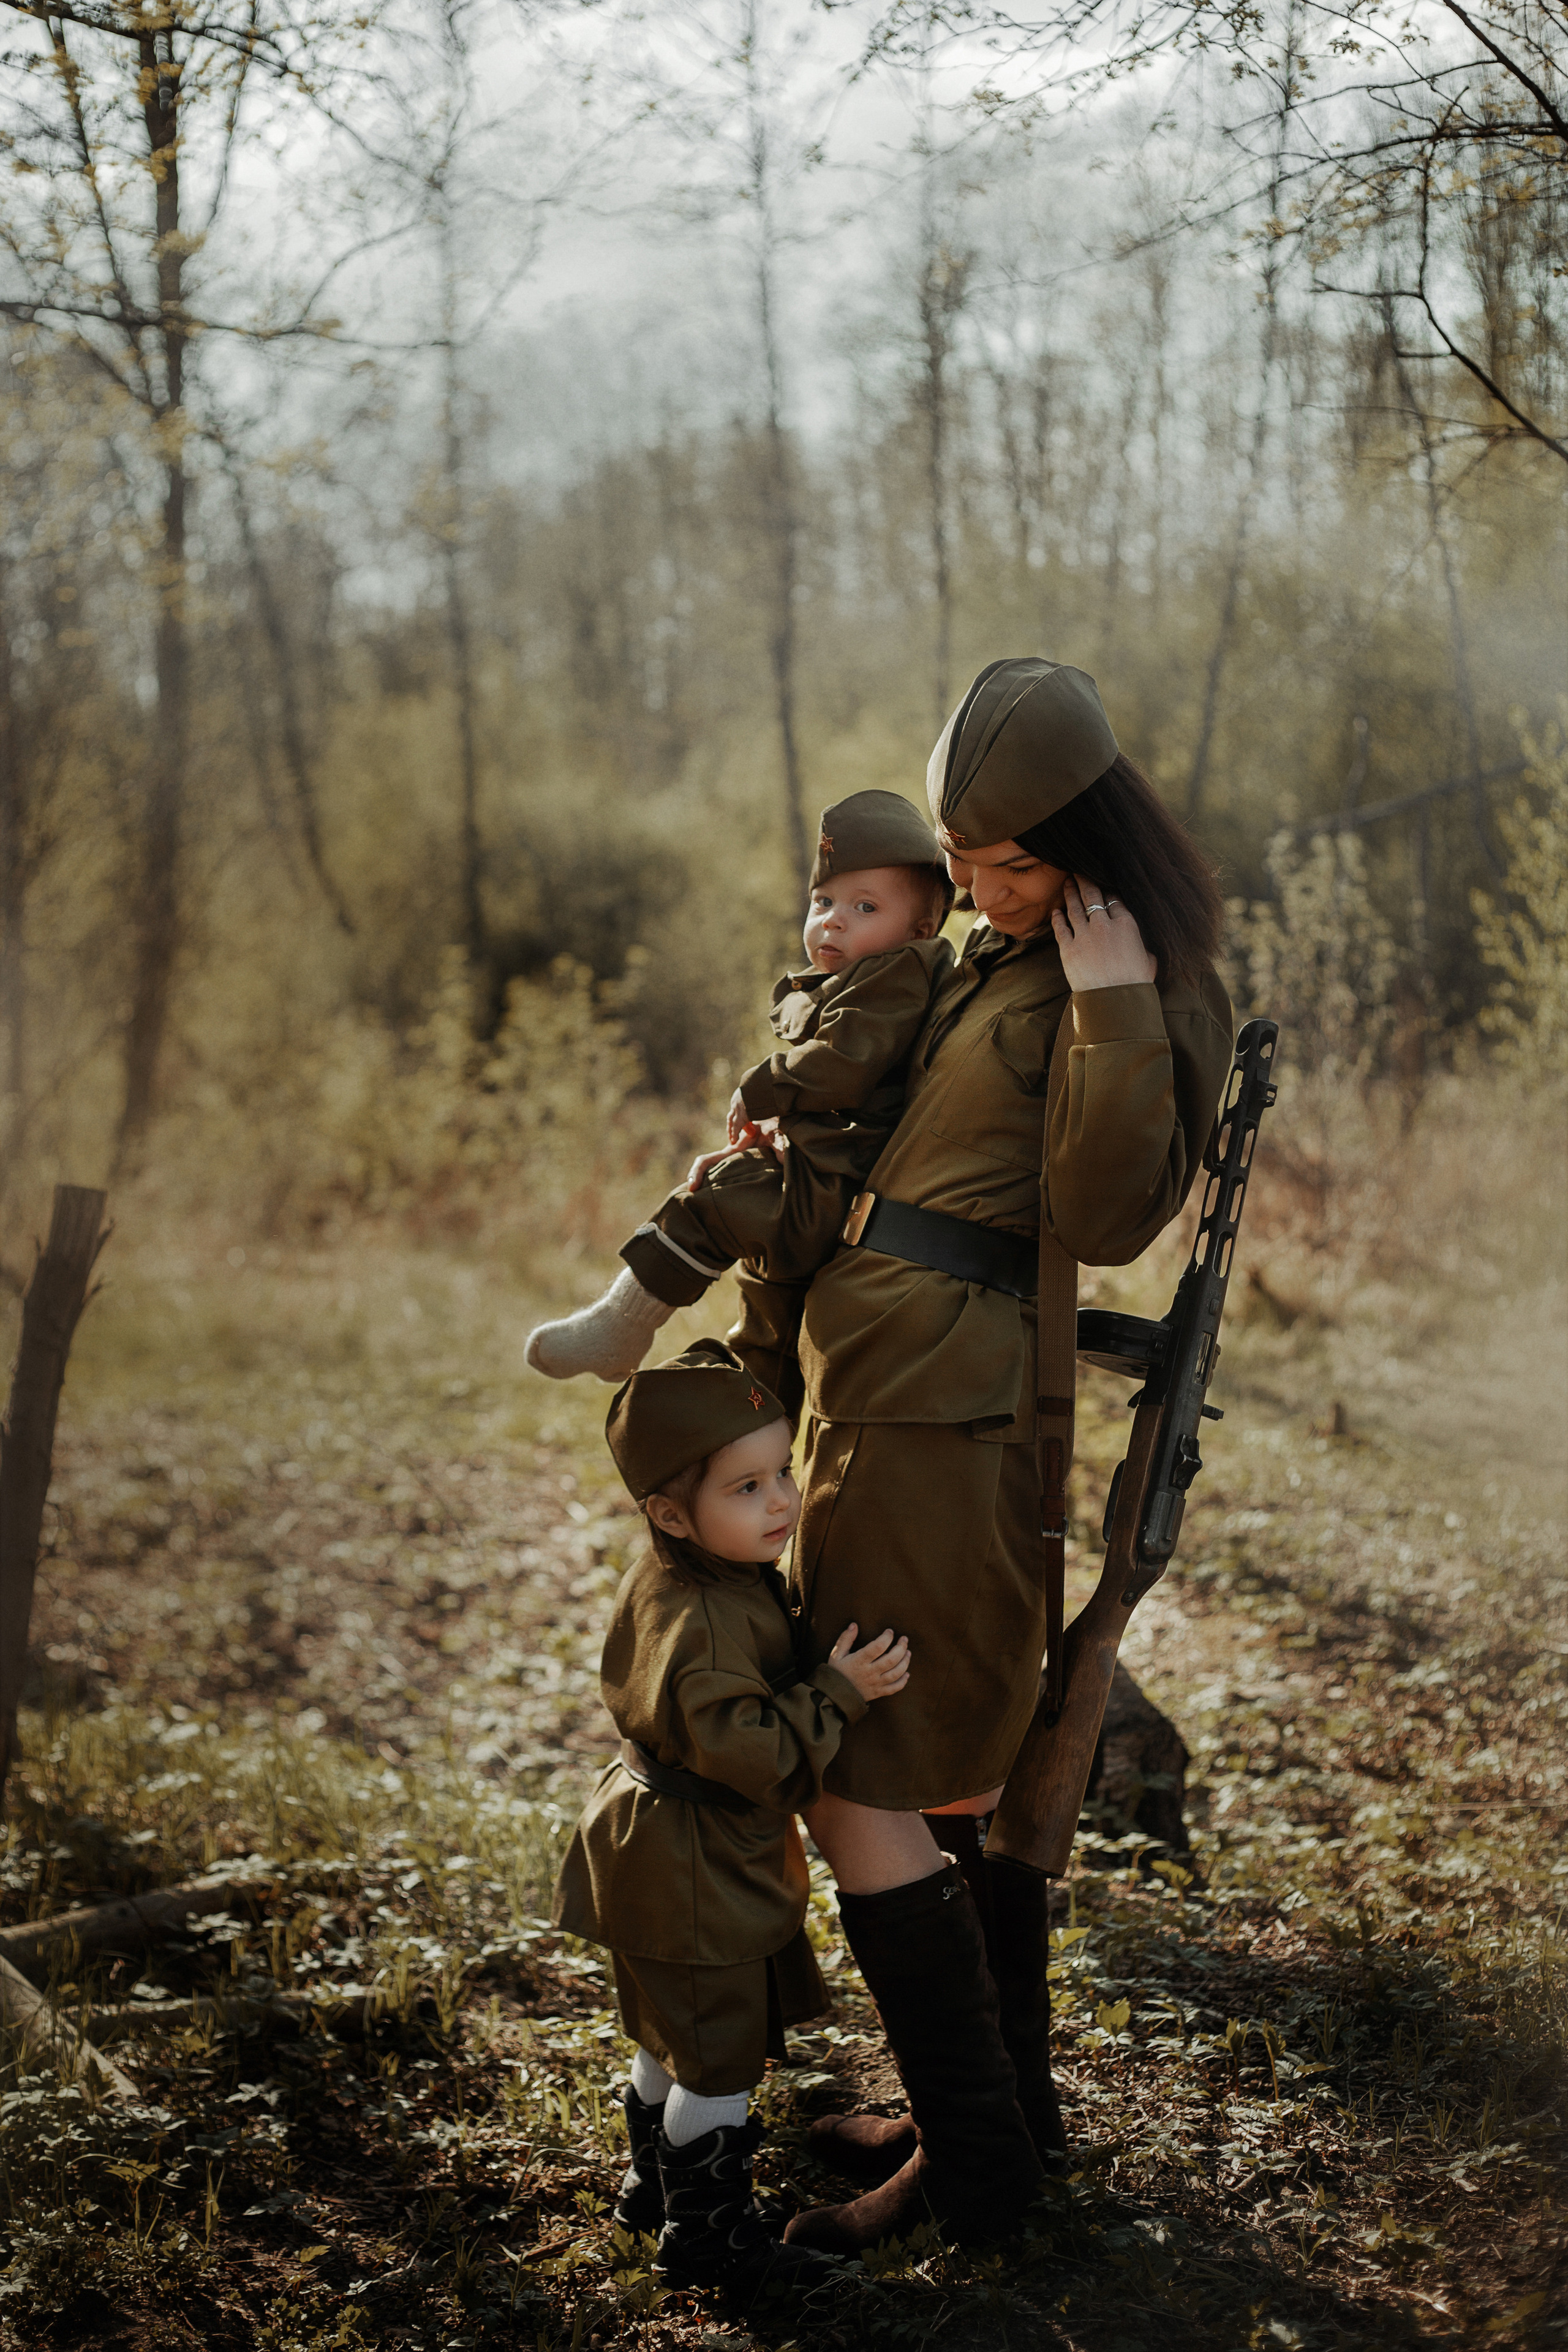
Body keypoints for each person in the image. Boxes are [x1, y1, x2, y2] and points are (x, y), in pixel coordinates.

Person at [755, 657, 1235, 2255]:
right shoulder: (994, 948)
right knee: (936, 1778)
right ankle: (1002, 2115)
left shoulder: (1134, 979)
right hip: (883, 1390)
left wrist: (1106, 1003)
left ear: (1089, 847)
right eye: (963, 864)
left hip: (951, 1418)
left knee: (862, 1763)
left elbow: (1101, 1218)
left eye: (1007, 865)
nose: (974, 890)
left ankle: (975, 2162)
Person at [550, 1338, 911, 2294]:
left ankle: (651, 2191)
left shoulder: (695, 1575)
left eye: (782, 1471)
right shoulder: (707, 1618)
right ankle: (709, 2244)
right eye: (746, 1488)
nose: (783, 1500)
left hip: (654, 1842)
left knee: (673, 2033)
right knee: (715, 2063)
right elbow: (749, 1751)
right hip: (692, 1859)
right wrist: (836, 1692)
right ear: (671, 1512)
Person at [524, 790, 954, 1387]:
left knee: (719, 1197)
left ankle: (623, 1326)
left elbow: (845, 1064)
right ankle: (759, 1456)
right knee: (765, 1335)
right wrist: (779, 1123)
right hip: (826, 1176)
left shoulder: (899, 974)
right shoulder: (865, 979)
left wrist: (762, 1089)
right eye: (823, 900)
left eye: (864, 906)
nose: (832, 918)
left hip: (836, 1190)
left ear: (920, 928)